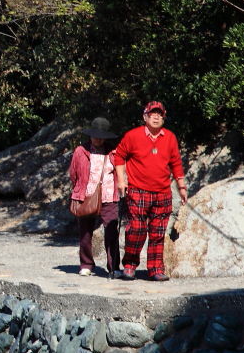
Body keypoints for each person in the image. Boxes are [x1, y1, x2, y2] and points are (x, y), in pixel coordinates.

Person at [112, 100, 189, 281]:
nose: (156, 116)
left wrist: (182, 186)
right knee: (137, 230)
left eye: (159, 114)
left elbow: (176, 163)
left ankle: (155, 269)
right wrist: (121, 180)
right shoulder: (133, 135)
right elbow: (119, 157)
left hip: (163, 193)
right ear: (145, 116)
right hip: (138, 191)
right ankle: (130, 265)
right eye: (152, 113)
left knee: (157, 233)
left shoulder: (170, 137)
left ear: (164, 117)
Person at [68, 116, 121, 276]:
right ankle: (86, 264)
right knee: (85, 232)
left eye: (101, 136)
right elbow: (74, 174)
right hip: (86, 195)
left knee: (111, 232)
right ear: (90, 135)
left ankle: (114, 267)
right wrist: (79, 190)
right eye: (95, 135)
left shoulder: (114, 152)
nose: (98, 139)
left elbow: (119, 172)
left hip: (109, 196)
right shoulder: (80, 151)